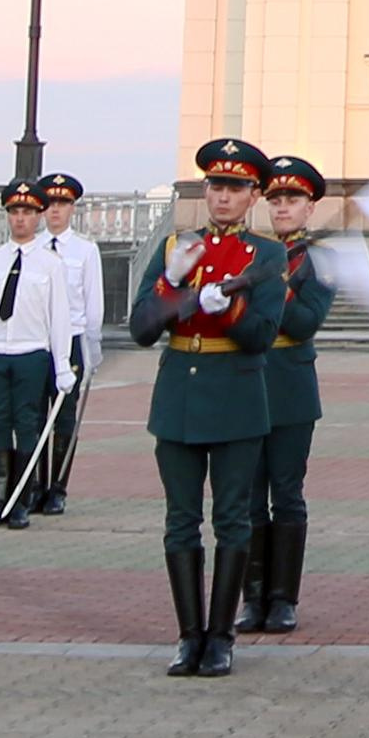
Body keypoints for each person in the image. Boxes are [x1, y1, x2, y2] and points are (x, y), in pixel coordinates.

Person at [126, 136, 284, 677]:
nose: (222, 197)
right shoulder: (177, 246)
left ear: (253, 196)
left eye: (235, 188)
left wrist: (227, 311)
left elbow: (262, 335)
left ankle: (220, 637)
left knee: (233, 519)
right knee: (180, 521)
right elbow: (142, 329)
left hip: (237, 393)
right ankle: (187, 634)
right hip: (179, 395)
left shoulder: (266, 254)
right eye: (216, 186)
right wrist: (172, 285)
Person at [236, 155, 333, 635]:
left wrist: (279, 289)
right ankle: (252, 597)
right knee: (249, 497)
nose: (282, 208)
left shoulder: (320, 260)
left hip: (291, 385)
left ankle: (283, 598)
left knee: (287, 494)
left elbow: (305, 322)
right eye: (275, 199)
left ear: (310, 207)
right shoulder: (247, 253)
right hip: (247, 380)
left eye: (292, 199)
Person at [0, 176, 78, 529]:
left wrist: (63, 363)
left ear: (38, 215)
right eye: (15, 211)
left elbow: (59, 318)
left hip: (30, 352)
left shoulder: (50, 264)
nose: (20, 218)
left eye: (27, 212)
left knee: (27, 423)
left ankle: (22, 500)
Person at [31, 173, 106, 511]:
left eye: (62, 204)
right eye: (50, 204)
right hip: (36, 340)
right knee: (32, 416)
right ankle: (32, 487)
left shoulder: (85, 251)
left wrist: (92, 347)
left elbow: (93, 302)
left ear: (72, 208)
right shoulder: (32, 249)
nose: (55, 211)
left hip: (72, 339)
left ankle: (57, 488)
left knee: (63, 418)